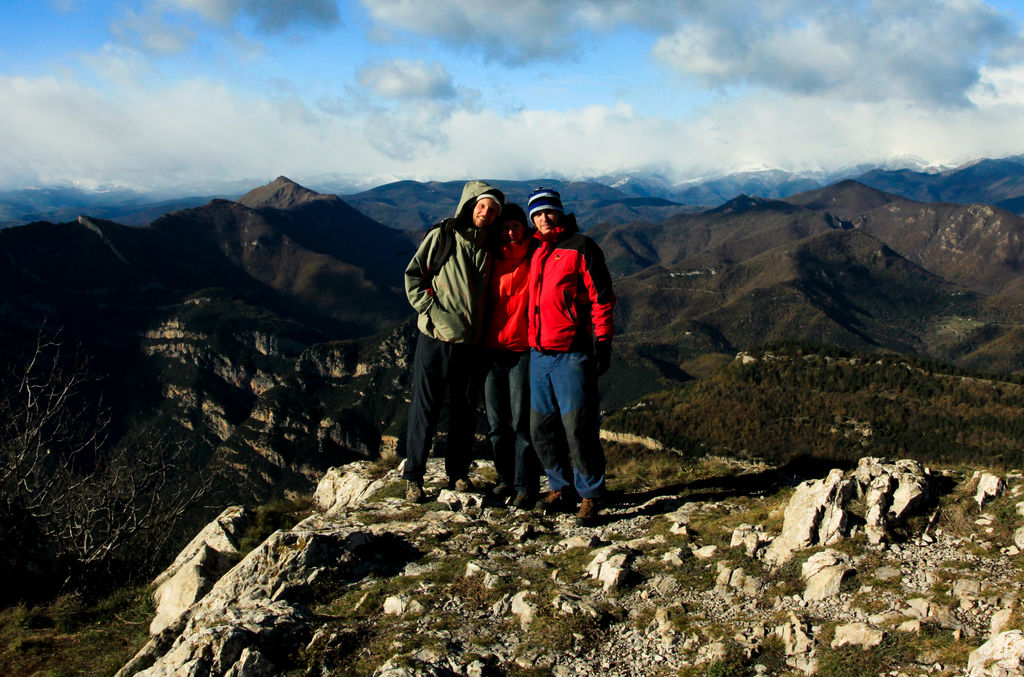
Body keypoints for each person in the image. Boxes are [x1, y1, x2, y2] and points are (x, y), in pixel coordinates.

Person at [403, 180, 504, 502]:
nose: (486, 213)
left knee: (464, 410)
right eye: (482, 206)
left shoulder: (491, 247)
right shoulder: (443, 237)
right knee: (425, 408)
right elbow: (414, 276)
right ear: (469, 206)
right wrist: (431, 312)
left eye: (492, 210)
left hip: (471, 344)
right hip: (435, 338)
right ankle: (414, 477)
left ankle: (457, 472)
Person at [526, 187, 615, 526]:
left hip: (572, 353)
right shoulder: (533, 250)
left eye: (549, 212)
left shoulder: (582, 248)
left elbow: (603, 298)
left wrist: (603, 343)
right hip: (538, 355)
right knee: (541, 428)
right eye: (537, 213)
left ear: (560, 213)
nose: (544, 218)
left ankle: (591, 495)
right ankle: (560, 488)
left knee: (578, 428)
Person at [481, 203, 540, 508]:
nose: (510, 231)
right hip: (492, 351)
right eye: (505, 227)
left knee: (520, 423)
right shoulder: (490, 258)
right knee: (496, 424)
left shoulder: (536, 256)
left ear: (524, 228)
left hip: (523, 350)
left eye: (516, 225)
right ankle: (505, 479)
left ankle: (525, 484)